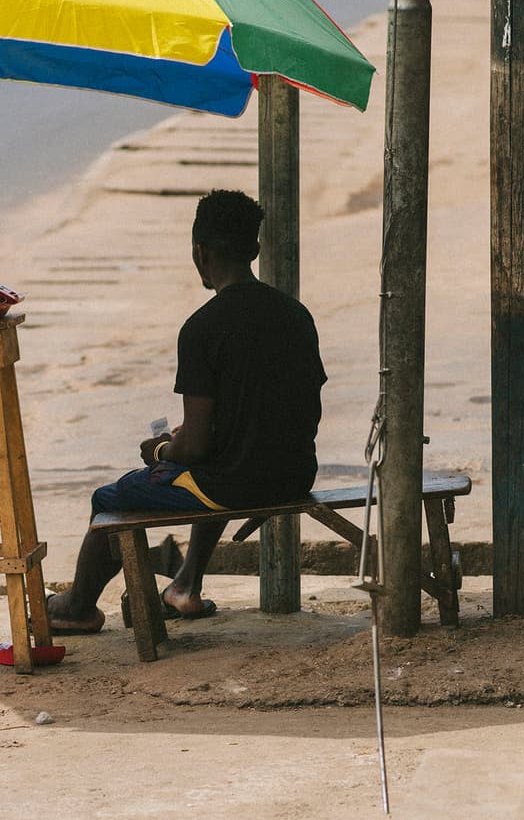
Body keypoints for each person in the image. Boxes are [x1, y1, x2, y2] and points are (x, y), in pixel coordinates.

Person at [46, 189, 327, 634]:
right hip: (295, 474)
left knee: (111, 498)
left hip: (238, 484)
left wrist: (160, 450)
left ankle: (78, 606)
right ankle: (184, 587)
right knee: (212, 468)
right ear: (254, 250)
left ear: (200, 252)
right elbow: (297, 406)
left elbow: (193, 448)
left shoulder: (202, 329)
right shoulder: (296, 315)